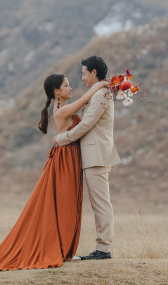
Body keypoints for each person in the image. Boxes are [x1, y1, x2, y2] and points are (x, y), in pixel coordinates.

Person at [0, 74, 109, 274]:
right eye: (66, 85)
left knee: (70, 206)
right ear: (56, 92)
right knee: (65, 205)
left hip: (71, 159)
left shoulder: (62, 108)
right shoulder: (60, 110)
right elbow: (85, 100)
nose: (70, 88)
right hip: (66, 161)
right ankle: (57, 248)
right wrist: (102, 84)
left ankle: (63, 248)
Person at [52, 55, 121, 260]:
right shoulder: (99, 92)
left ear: (94, 72)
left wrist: (62, 139)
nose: (82, 78)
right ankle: (102, 247)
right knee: (99, 202)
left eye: (84, 73)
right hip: (93, 155)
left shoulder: (101, 94)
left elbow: (86, 125)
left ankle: (104, 249)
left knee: (101, 203)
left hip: (96, 155)